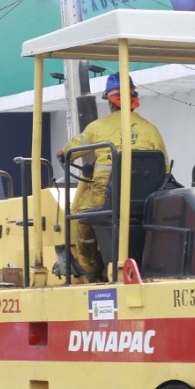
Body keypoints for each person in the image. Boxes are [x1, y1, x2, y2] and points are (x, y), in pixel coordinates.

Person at [58, 73, 167, 281]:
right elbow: (165, 167)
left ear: (110, 100)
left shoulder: (98, 128)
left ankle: (91, 268)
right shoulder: (152, 131)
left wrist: (62, 152)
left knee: (80, 217)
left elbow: (72, 150)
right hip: (146, 202)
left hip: (105, 199)